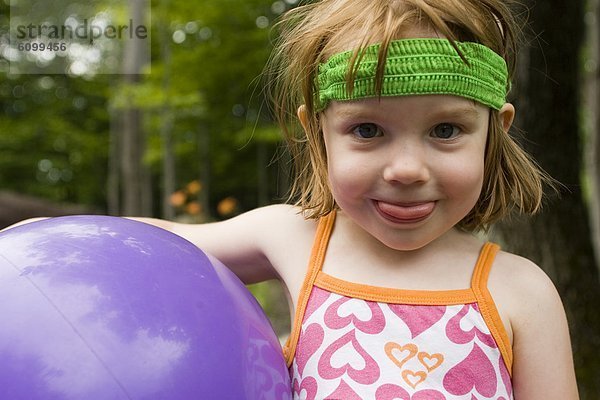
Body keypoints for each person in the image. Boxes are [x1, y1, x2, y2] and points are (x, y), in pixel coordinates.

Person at [7, 0, 578, 398]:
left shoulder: (520, 291)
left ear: (496, 131)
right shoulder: (293, 236)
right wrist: (42, 237)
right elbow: (151, 245)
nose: (406, 169)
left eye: (446, 130)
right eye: (369, 131)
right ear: (317, 134)